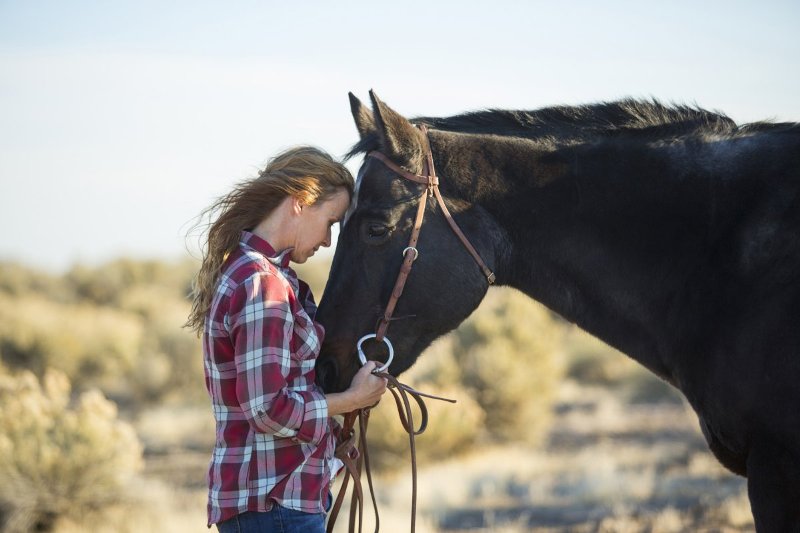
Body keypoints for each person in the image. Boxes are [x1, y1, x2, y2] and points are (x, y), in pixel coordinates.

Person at [186, 146, 388, 532]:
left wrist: (327, 440)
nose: (329, 241)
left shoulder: (256, 274)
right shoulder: (263, 284)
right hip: (275, 505)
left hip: (273, 500)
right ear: (300, 202)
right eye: (330, 221)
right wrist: (350, 401)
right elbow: (267, 409)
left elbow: (282, 392)